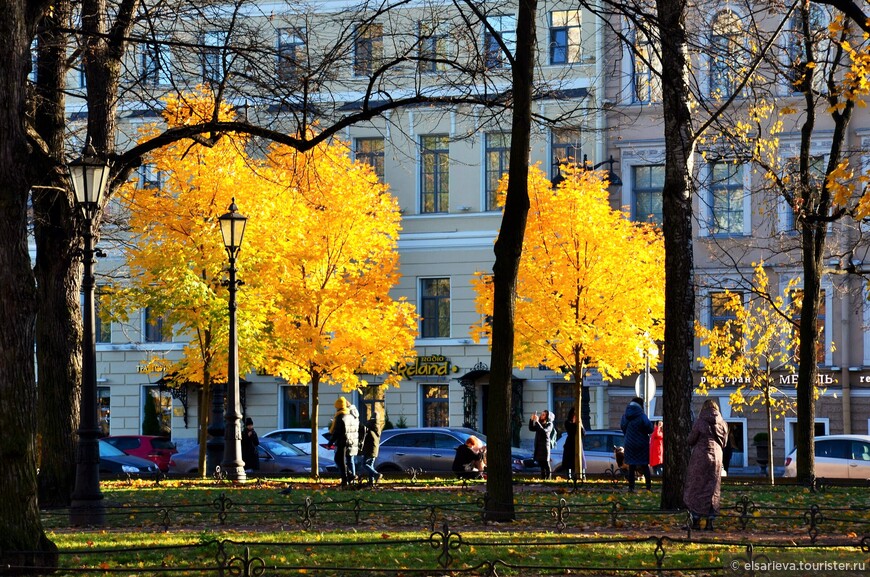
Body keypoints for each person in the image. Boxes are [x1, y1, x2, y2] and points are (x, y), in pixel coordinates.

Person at [683, 399, 728, 530]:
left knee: (696, 487)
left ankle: (696, 520)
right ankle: (710, 522)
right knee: (713, 488)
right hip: (717, 458)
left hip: (701, 457)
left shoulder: (700, 422)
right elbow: (724, 443)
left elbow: (691, 440)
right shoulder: (723, 423)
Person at [620, 397, 653, 491]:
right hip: (641, 443)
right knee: (644, 465)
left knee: (631, 465)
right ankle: (648, 487)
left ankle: (631, 487)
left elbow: (623, 426)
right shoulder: (642, 416)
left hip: (629, 443)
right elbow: (649, 428)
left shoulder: (626, 415)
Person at [330, 397, 360, 486]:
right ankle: (350, 476)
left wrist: (331, 441)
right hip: (350, 440)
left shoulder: (341, 416)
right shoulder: (351, 416)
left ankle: (347, 478)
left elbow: (338, 431)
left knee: (340, 460)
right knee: (346, 460)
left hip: (342, 441)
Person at [361, 411, 385, 485]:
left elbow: (363, 432)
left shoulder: (369, 425)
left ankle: (376, 474)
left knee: (364, 464)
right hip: (375, 449)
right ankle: (371, 482)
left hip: (369, 448)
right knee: (370, 465)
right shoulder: (378, 426)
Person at [529, 409, 554, 480]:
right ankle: (543, 478)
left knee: (546, 463)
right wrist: (531, 420)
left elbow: (544, 431)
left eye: (543, 415)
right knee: (541, 464)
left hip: (545, 447)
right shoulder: (539, 423)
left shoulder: (549, 424)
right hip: (538, 446)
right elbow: (531, 428)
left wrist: (537, 422)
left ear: (547, 417)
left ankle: (549, 478)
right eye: (541, 414)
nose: (541, 416)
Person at [562, 407, 584, 482]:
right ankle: (569, 477)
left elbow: (583, 433)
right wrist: (574, 424)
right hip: (570, 445)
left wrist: (580, 424)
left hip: (578, 445)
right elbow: (571, 432)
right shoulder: (567, 422)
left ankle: (579, 477)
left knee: (579, 462)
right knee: (569, 463)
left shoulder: (579, 423)